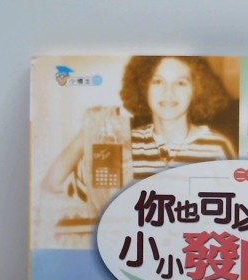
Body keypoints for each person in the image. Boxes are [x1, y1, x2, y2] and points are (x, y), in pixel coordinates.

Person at [41, 56, 236, 207]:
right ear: (144, 88)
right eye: (157, 81)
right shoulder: (120, 146)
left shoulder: (217, 147)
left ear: (197, 90)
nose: (168, 93)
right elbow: (51, 186)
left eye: (181, 83)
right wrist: (88, 131)